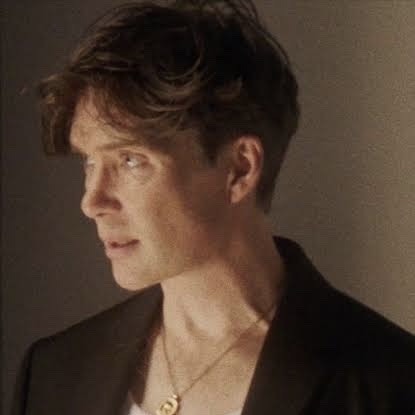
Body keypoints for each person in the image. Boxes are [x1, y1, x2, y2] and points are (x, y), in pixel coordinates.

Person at [12, 1, 415, 414]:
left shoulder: (391, 385)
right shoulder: (53, 373)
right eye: (89, 162)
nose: (91, 201)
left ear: (240, 169)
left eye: (131, 160)